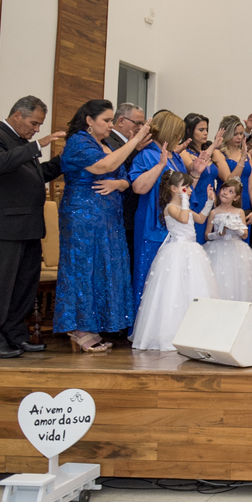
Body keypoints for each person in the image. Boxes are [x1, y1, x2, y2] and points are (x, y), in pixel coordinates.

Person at [55, 100, 151, 352]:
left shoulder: (104, 144)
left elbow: (123, 179)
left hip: (107, 218)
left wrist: (118, 185)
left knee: (103, 269)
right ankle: (78, 327)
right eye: (106, 120)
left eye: (111, 120)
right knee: (84, 268)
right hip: (83, 217)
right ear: (89, 120)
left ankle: (94, 324)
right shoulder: (77, 142)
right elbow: (105, 167)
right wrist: (135, 141)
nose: (110, 125)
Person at [0, 96, 66, 358]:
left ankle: (15, 336)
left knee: (25, 286)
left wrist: (61, 160)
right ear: (17, 115)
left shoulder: (21, 145)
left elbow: (38, 176)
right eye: (34, 123)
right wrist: (39, 145)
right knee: (1, 287)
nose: (36, 129)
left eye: (39, 125)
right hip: (5, 227)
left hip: (28, 227)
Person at [130, 110, 212, 309]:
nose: (181, 137)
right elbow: (139, 187)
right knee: (151, 274)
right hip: (153, 221)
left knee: (174, 279)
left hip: (174, 226)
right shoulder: (147, 155)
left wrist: (196, 174)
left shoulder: (175, 156)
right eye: (178, 132)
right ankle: (148, 322)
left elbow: (182, 189)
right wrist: (160, 165)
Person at [132, 172, 219, 351]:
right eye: (184, 188)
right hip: (176, 252)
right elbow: (183, 218)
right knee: (174, 291)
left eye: (189, 187)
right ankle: (170, 334)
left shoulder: (184, 207)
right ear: (173, 189)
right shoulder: (171, 207)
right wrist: (185, 201)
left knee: (194, 287)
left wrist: (209, 201)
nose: (188, 191)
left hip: (191, 250)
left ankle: (196, 332)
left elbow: (200, 219)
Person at [204, 179, 252, 302]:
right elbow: (207, 235)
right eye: (224, 189)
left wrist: (235, 229)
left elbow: (245, 235)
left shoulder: (239, 212)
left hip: (237, 249)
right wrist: (218, 234)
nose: (225, 193)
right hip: (218, 249)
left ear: (236, 197)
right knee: (219, 277)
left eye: (230, 191)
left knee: (237, 278)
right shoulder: (214, 212)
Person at [106, 103, 145, 262]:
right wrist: (135, 148)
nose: (140, 127)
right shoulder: (109, 141)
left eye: (142, 124)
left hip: (130, 211)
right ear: (121, 120)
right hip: (118, 209)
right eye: (137, 123)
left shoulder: (134, 143)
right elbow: (118, 167)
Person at [180, 113, 222, 244]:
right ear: (189, 131)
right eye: (201, 130)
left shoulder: (210, 152)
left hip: (210, 202)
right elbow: (194, 167)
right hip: (195, 201)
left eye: (207, 130)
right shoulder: (184, 152)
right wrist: (213, 145)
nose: (205, 133)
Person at [212, 115, 252, 228]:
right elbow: (230, 180)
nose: (239, 137)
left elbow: (251, 185)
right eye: (235, 134)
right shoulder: (218, 153)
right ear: (227, 134)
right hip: (227, 205)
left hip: (246, 205)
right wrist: (242, 159)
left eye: (241, 134)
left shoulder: (246, 155)